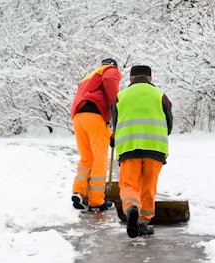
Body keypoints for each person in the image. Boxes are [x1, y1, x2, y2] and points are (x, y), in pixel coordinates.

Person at [112, 65, 173, 237]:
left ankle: (131, 207)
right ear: (150, 78)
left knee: (129, 184)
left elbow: (115, 122)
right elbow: (169, 124)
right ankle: (144, 222)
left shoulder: (120, 96)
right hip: (155, 148)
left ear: (131, 79)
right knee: (148, 186)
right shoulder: (160, 95)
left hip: (129, 147)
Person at [70, 58, 122, 211]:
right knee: (100, 160)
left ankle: (79, 192)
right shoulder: (109, 71)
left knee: (87, 158)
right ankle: (96, 200)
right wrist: (116, 107)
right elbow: (110, 84)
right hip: (95, 115)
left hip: (78, 117)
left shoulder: (89, 76)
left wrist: (110, 133)